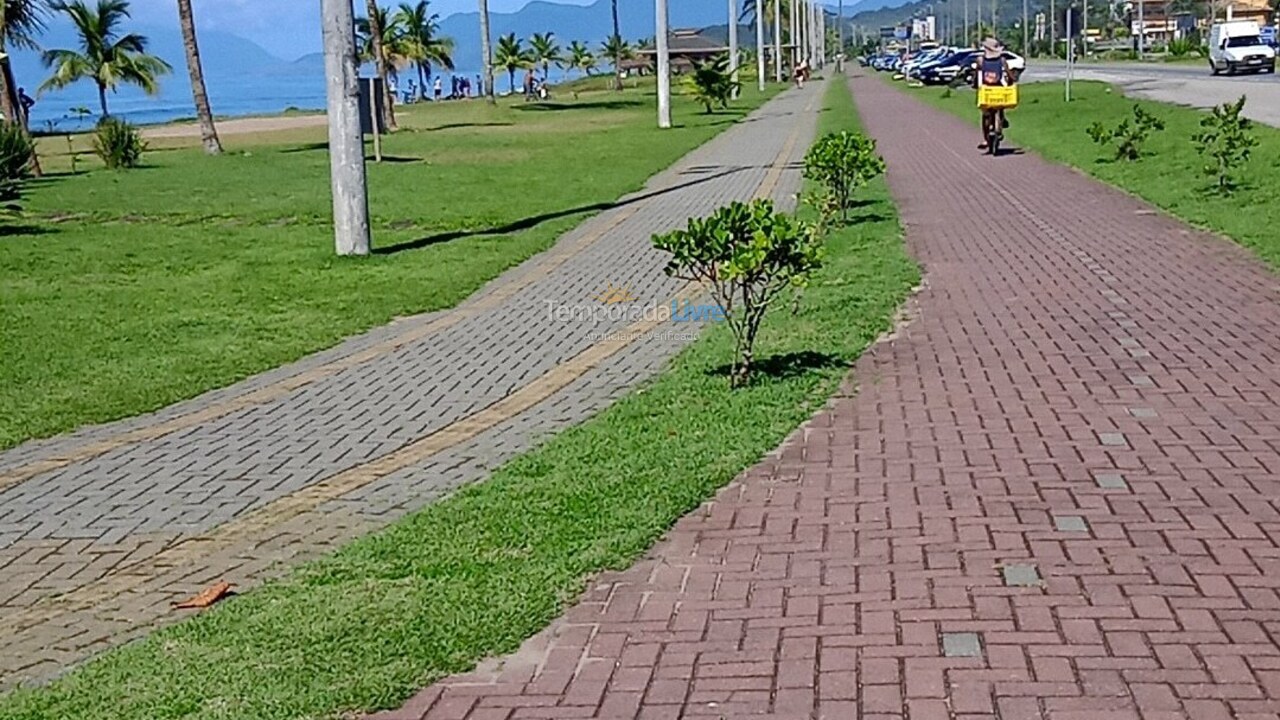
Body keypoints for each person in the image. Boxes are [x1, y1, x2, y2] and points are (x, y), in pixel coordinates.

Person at [973, 37, 1015, 151]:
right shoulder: (1002, 60)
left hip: (986, 91)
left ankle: (986, 139)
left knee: (985, 115)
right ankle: (1000, 124)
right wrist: (1011, 81)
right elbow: (1009, 74)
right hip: (999, 90)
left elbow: (977, 75)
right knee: (1000, 108)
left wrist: (975, 85)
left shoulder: (980, 60)